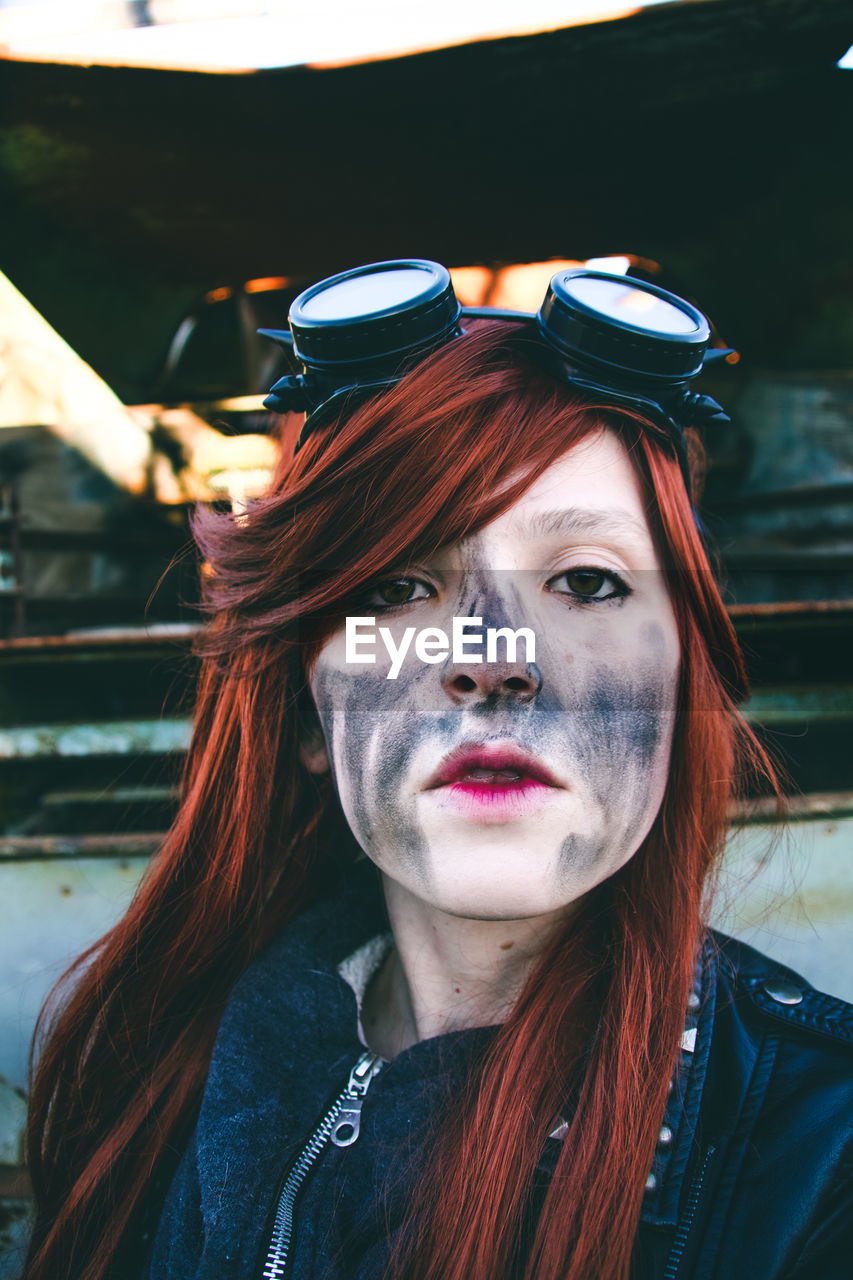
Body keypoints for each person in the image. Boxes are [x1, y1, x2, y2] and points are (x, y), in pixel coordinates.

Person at [23, 263, 852, 1280]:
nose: (492, 655)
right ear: (306, 705)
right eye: (399, 584)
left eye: (587, 580)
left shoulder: (826, 1160)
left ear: (682, 682)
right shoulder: (143, 1098)